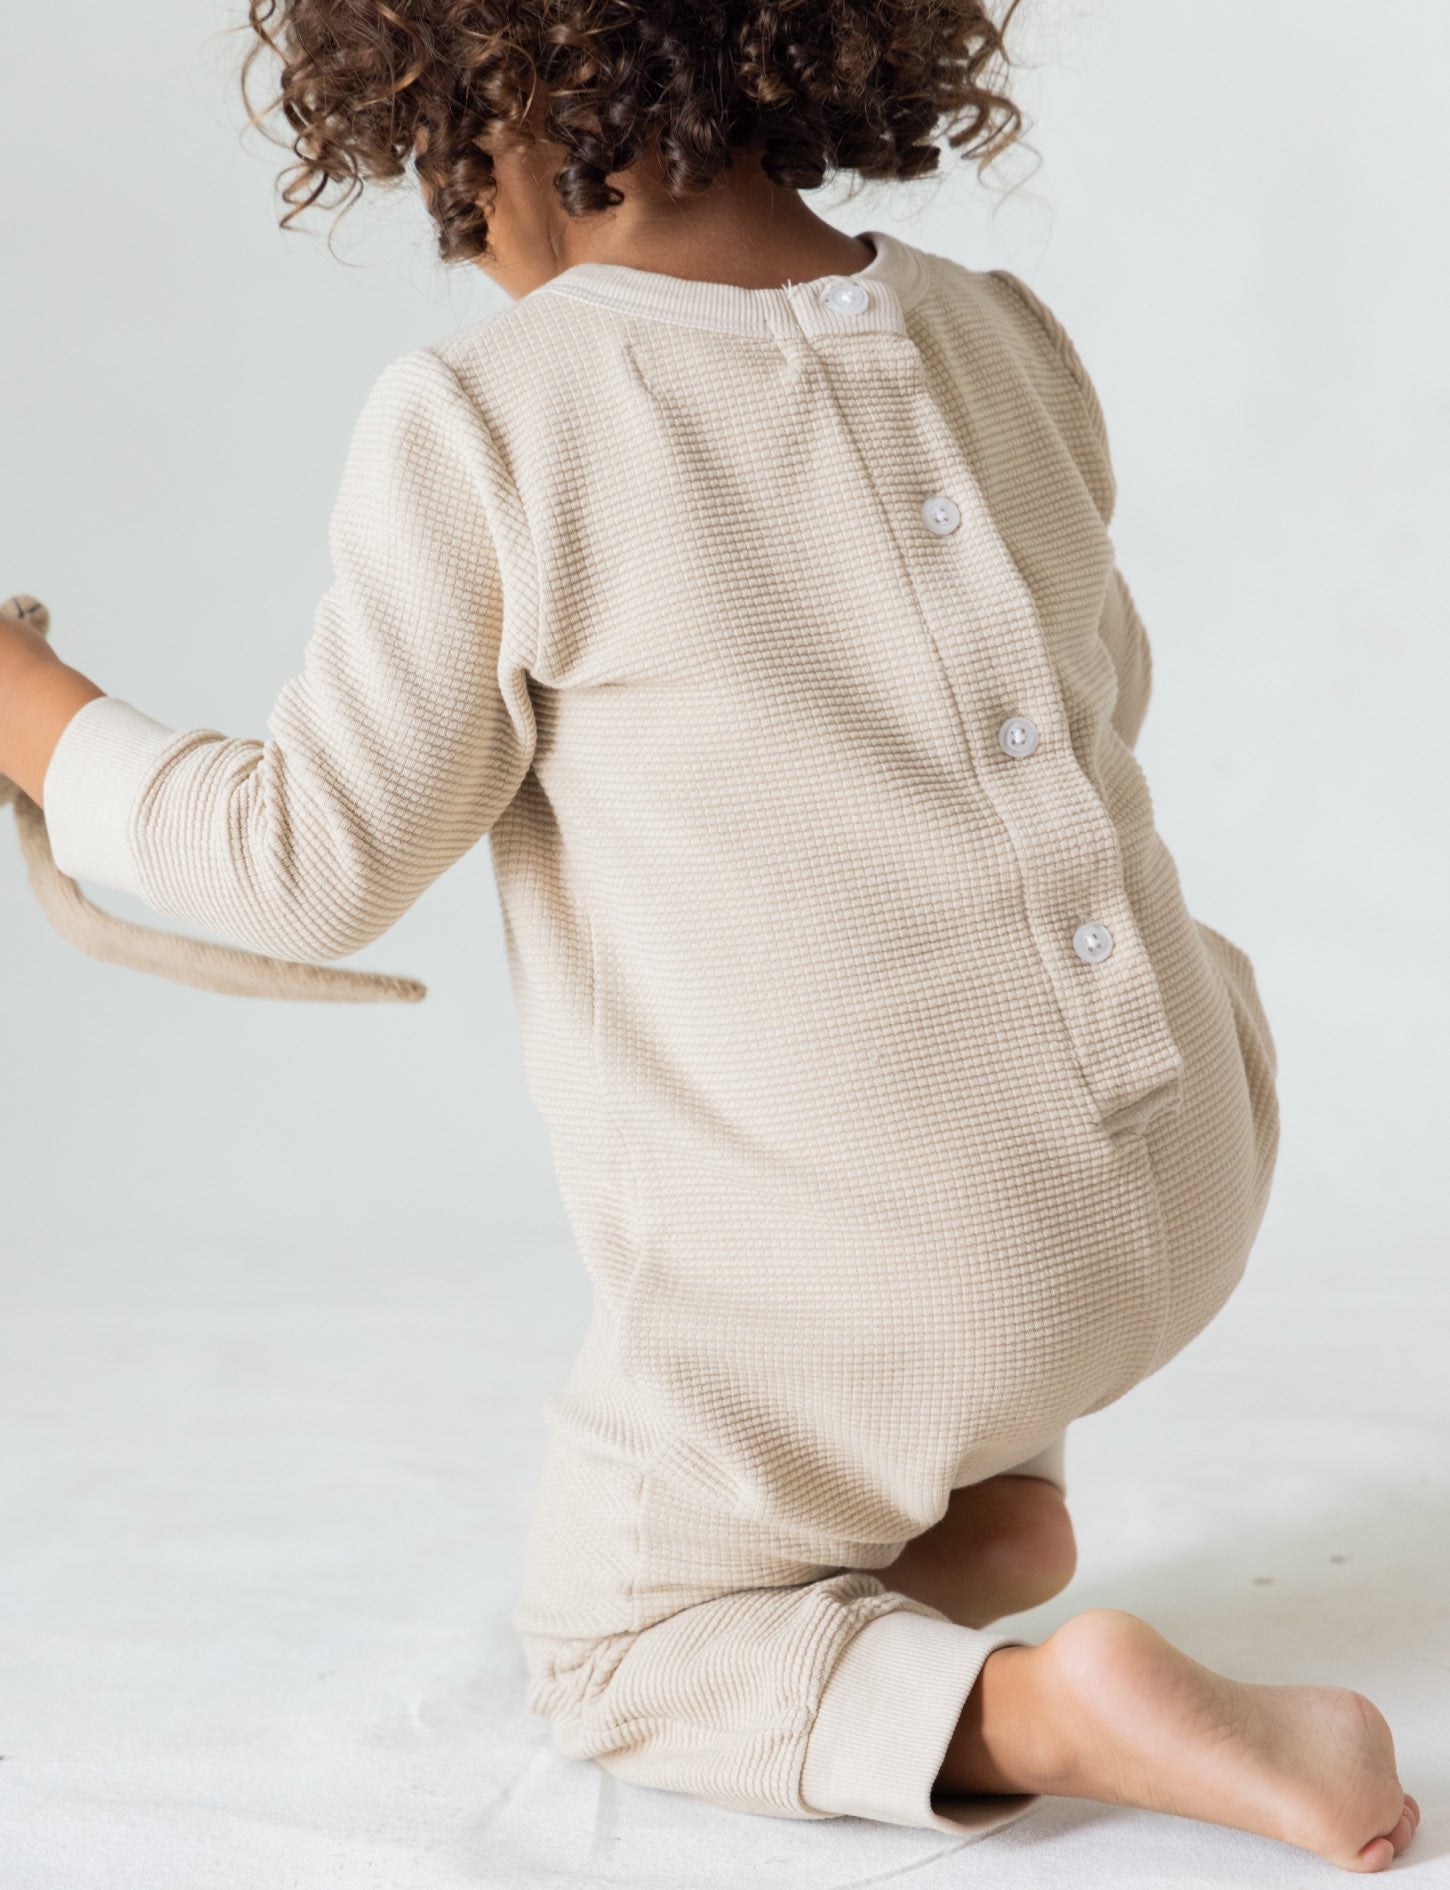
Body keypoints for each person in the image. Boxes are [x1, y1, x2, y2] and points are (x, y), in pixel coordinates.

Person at [0, 1, 1419, 1872]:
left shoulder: (493, 416)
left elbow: (305, 857)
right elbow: (1102, 705)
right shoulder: (998, 333)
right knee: (960, 1012)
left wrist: (32, 707)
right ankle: (985, 1495)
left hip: (915, 1283)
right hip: (1185, 1175)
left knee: (613, 1643)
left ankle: (1034, 1701)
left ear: (473, 93)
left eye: (433, 167)